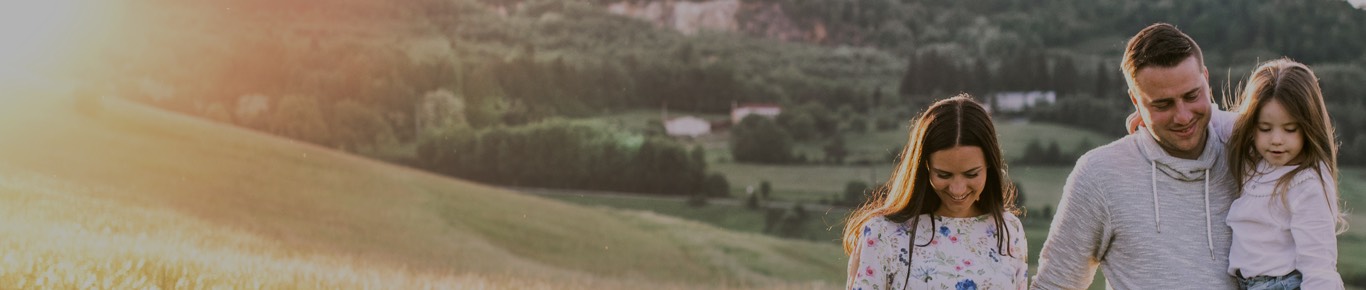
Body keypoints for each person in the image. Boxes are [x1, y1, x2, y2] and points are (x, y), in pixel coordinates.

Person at [1032, 23, 1240, 289]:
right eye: (1162, 104)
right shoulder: (1099, 175)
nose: (1183, 116)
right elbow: (1055, 285)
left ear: (1206, 79)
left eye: (1191, 95)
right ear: (1135, 101)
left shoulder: (1250, 154)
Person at [844, 94, 1026, 290]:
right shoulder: (882, 234)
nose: (958, 189)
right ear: (924, 167)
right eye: (944, 175)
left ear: (989, 165)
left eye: (971, 174)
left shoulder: (1009, 229)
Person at [1224, 58, 1346, 290]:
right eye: (1265, 128)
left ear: (1309, 126)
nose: (1276, 140)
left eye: (1290, 129)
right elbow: (1212, 121)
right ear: (1251, 126)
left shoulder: (1307, 184)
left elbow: (1319, 265)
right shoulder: (1254, 158)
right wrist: (1149, 118)